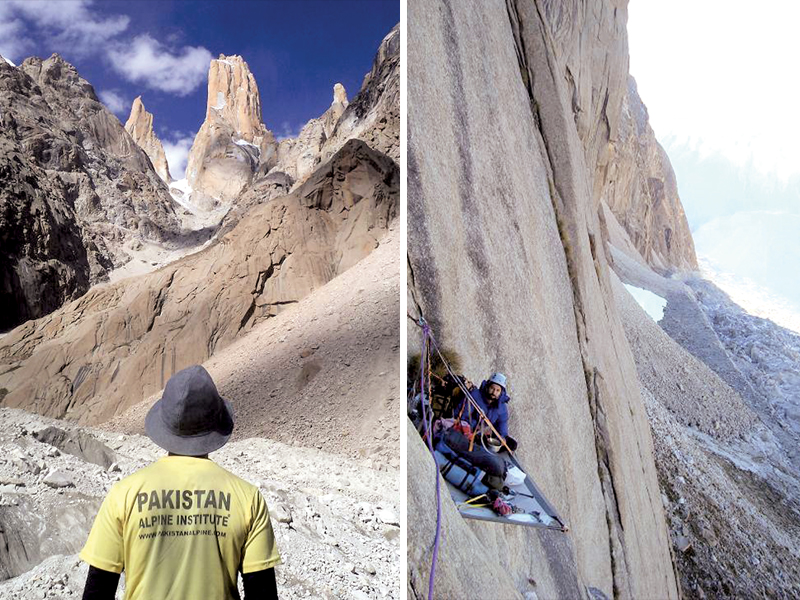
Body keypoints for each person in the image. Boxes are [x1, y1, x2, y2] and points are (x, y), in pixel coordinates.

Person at [80, 365, 281, 600]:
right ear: (217, 423)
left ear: (164, 424)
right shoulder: (248, 498)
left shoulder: (123, 494)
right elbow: (263, 594)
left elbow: (97, 592)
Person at [457, 371, 511, 439]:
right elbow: (462, 416)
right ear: (487, 386)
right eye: (492, 388)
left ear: (501, 392)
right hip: (466, 431)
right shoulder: (475, 396)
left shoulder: (502, 409)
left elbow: (502, 429)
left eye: (497, 390)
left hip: (482, 437)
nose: (494, 392)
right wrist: (475, 429)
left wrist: (503, 439)